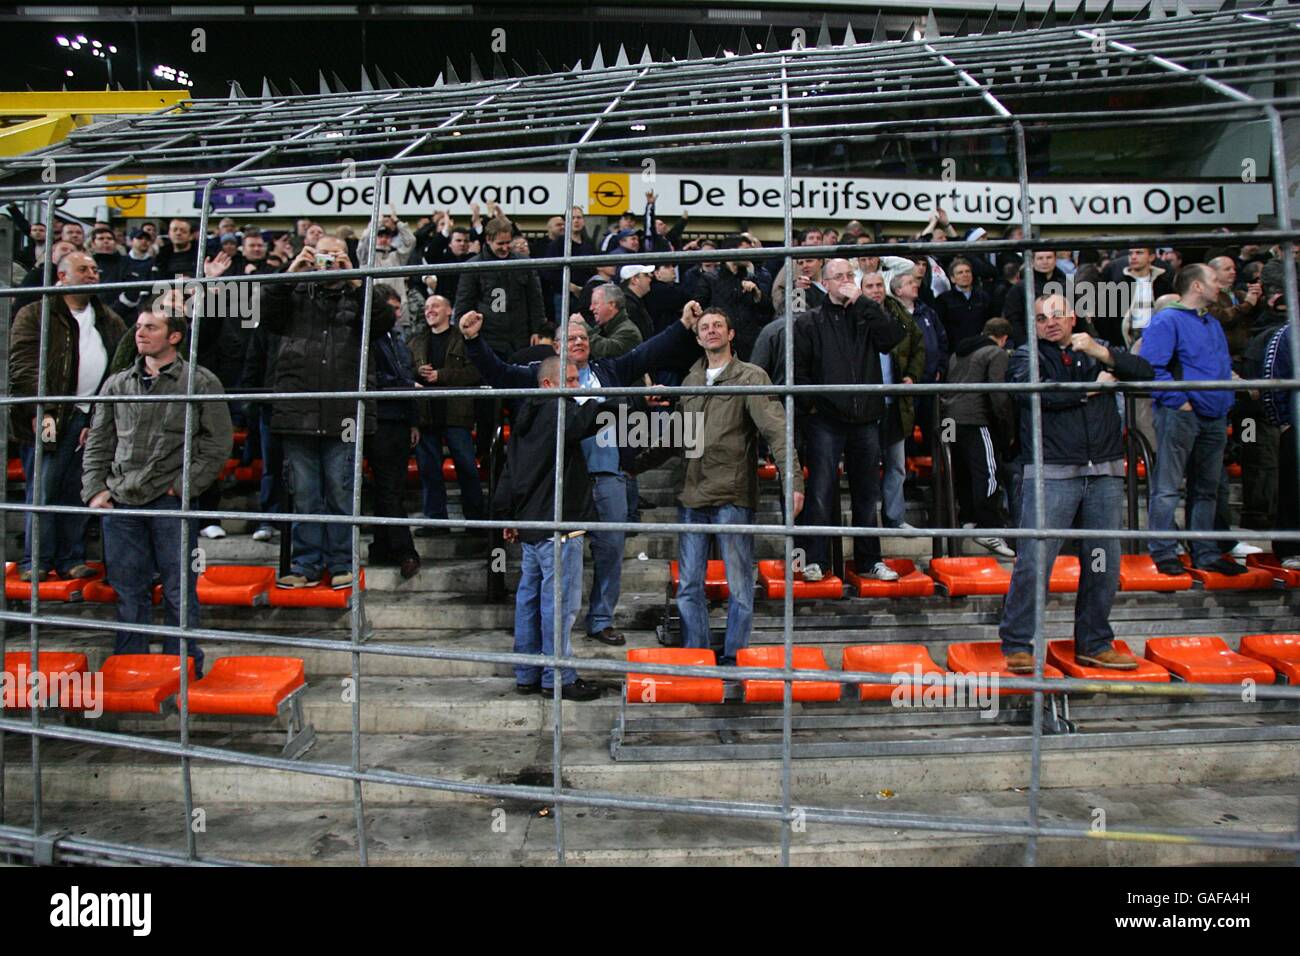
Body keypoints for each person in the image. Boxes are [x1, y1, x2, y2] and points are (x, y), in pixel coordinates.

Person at [463, 303, 701, 646]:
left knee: (610, 551)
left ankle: (600, 619)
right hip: (555, 484)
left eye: (584, 337)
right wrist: (473, 341)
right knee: (550, 563)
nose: (579, 342)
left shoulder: (611, 369)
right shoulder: (540, 373)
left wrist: (681, 323)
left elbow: (648, 352)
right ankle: (549, 636)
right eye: (570, 338)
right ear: (557, 347)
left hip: (607, 476)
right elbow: (498, 373)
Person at [999, 294, 1154, 673]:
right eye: (1040, 318)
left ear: (1073, 317)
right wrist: (1092, 389)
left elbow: (1146, 372)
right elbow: (1037, 393)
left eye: (1056, 315)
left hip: (1103, 471)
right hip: (1051, 471)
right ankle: (1018, 642)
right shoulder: (1026, 355)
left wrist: (1102, 353)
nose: (1049, 322)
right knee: (1036, 560)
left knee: (1103, 561)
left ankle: (1095, 642)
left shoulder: (1097, 350)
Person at [82, 307, 232, 672]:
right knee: (128, 589)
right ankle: (131, 669)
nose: (140, 333)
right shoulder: (118, 383)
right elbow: (99, 440)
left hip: (170, 502)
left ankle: (181, 666)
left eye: (151, 327)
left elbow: (217, 444)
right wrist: (95, 491)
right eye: (138, 327)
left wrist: (182, 487)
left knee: (180, 588)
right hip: (122, 501)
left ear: (174, 336)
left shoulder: (201, 382)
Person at [259, 235, 397, 588]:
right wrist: (290, 273)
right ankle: (305, 564)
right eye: (324, 256)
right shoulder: (293, 290)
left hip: (345, 409)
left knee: (340, 491)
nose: (330, 264)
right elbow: (264, 316)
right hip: (298, 408)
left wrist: (357, 278)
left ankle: (340, 562)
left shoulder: (359, 292)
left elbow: (383, 321)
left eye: (337, 257)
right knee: (304, 495)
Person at [670, 306, 804, 663]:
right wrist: (633, 464)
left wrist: (792, 477)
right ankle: (696, 655)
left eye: (718, 326)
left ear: (730, 334)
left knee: (741, 587)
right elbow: (679, 438)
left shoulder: (752, 377)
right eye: (704, 327)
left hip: (732, 495)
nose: (711, 331)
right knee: (687, 587)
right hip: (692, 496)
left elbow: (776, 430)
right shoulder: (689, 382)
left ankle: (734, 658)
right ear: (697, 338)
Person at [494, 355, 614, 700]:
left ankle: (528, 672)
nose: (577, 388)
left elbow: (510, 469)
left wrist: (508, 516)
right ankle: (557, 678)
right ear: (549, 383)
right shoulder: (556, 410)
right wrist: (620, 397)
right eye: (573, 381)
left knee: (530, 599)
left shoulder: (525, 415)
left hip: (532, 522)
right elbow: (588, 421)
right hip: (558, 522)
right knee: (559, 604)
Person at [9, 251, 126, 582]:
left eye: (94, 269)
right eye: (83, 269)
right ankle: (37, 559)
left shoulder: (109, 318)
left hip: (90, 416)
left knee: (79, 486)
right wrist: (39, 409)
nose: (92, 274)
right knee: (43, 484)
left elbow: (118, 368)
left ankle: (70, 557)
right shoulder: (36, 313)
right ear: (62, 276)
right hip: (49, 415)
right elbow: (23, 365)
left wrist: (98, 420)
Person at [794, 259, 905, 583]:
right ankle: (815, 559)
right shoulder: (809, 321)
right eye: (838, 277)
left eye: (848, 276)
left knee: (867, 494)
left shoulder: (866, 314)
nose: (845, 281)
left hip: (867, 418)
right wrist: (812, 408)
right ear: (824, 283)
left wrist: (865, 302)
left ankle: (869, 560)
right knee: (820, 491)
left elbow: (891, 338)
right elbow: (799, 372)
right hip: (826, 419)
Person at [1142, 264, 1245, 577]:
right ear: (1197, 286)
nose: (1220, 286)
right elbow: (1151, 369)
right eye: (1214, 280)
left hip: (1213, 414)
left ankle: (1205, 551)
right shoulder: (1167, 320)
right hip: (1182, 415)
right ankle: (1163, 550)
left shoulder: (1211, 322)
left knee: (1207, 489)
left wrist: (1224, 401)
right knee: (1168, 487)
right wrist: (1180, 402)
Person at [408, 294, 485, 532]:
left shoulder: (463, 339)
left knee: (466, 468)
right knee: (429, 470)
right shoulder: (415, 342)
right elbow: (404, 374)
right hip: (425, 416)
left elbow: (475, 373)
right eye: (427, 307)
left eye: (436, 306)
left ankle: (476, 521)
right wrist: (416, 372)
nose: (430, 310)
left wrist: (441, 376)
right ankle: (435, 521)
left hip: (456, 415)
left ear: (449, 311)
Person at [943, 317, 1016, 557]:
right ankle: (990, 527)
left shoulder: (958, 353)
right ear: (1003, 338)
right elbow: (998, 394)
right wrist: (1007, 429)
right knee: (987, 472)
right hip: (975, 418)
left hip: (949, 418)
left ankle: (968, 519)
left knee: (962, 470)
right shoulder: (996, 353)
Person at [368, 284, 421, 579]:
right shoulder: (372, 339)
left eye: (399, 308)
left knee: (391, 488)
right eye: (392, 308)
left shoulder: (398, 339)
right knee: (390, 488)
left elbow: (407, 376)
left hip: (399, 418)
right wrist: (405, 388)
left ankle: (382, 546)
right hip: (382, 419)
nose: (398, 313)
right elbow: (376, 378)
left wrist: (413, 419)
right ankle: (404, 550)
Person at [867, 270, 921, 531]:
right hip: (866, 406)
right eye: (870, 286)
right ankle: (866, 520)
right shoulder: (853, 315)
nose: (876, 290)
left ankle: (894, 518)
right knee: (865, 466)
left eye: (879, 285)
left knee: (896, 465)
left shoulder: (899, 314)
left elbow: (919, 346)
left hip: (896, 403)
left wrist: (911, 374)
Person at [935, 257, 994, 345]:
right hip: (955, 350)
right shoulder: (943, 300)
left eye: (967, 271)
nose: (965, 275)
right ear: (952, 278)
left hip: (980, 347)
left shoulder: (983, 297)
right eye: (960, 273)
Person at [585, 282, 643, 358]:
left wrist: (584, 328)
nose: (591, 308)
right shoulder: (602, 328)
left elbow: (606, 351)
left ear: (612, 305)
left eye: (595, 303)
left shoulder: (629, 332)